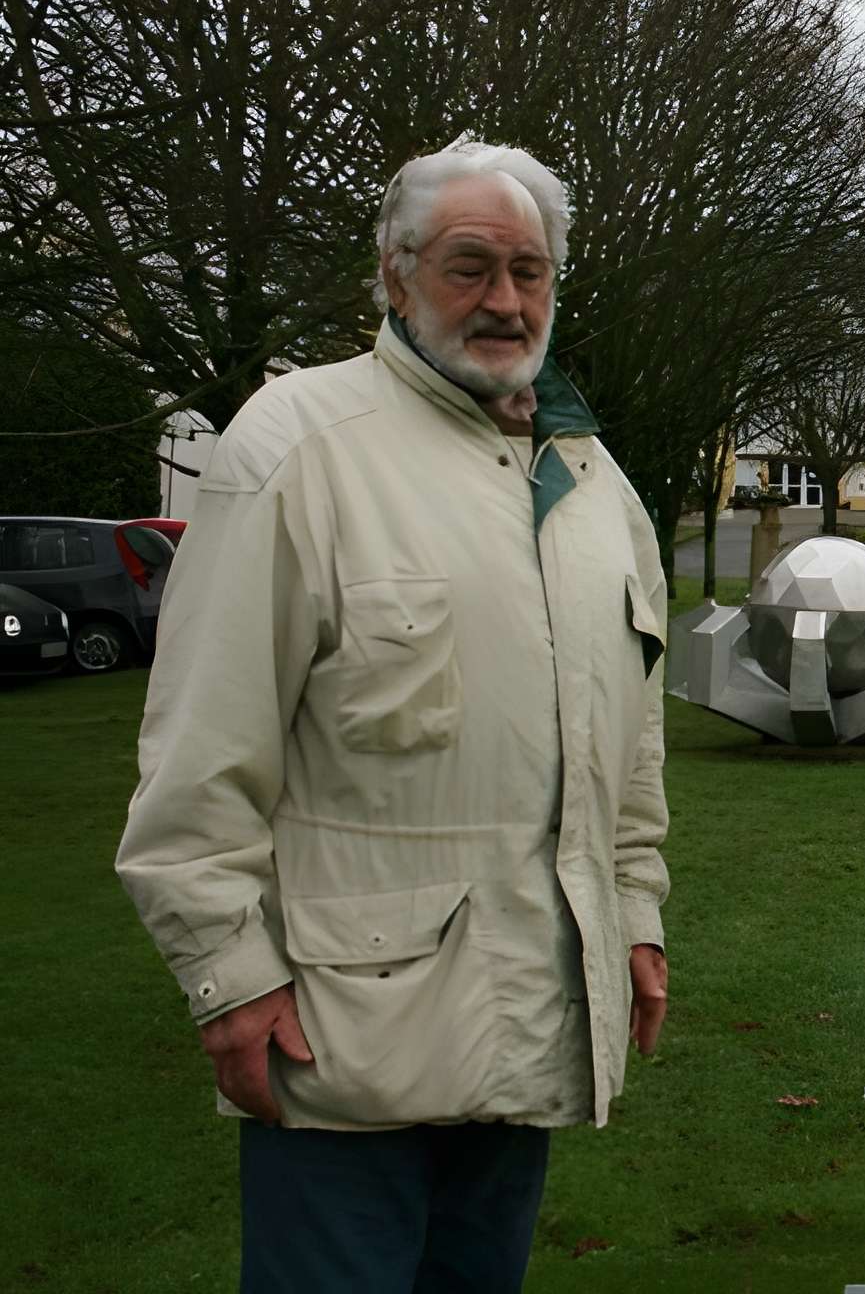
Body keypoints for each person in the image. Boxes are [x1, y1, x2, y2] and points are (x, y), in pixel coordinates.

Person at [116, 138, 672, 1292]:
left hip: (532, 1015)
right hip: (339, 1037)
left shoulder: (594, 483)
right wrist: (228, 974)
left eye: (530, 272)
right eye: (471, 267)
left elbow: (631, 745)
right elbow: (199, 752)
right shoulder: (296, 447)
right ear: (395, 272)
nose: (506, 301)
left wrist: (637, 913)